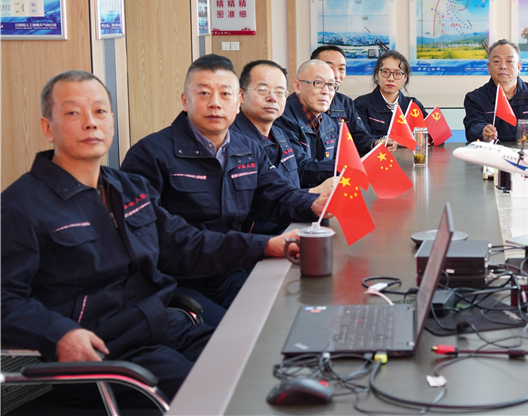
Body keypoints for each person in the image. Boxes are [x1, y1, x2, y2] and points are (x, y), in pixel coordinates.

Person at [1, 71, 306, 401]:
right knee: (222, 395)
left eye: (100, 111)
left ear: (111, 121)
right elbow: (5, 299)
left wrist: (267, 245)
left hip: (163, 327)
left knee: (268, 362)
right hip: (105, 354)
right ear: (48, 128)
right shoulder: (21, 206)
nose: (91, 123)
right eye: (74, 113)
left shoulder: (127, 188)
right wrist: (58, 333)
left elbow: (185, 243)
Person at [122, 55, 331, 325]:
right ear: (185, 101)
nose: (215, 103)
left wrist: (315, 203)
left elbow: (277, 195)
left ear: (238, 100)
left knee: (289, 316)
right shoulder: (149, 154)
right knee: (240, 332)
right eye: (204, 93)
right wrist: (264, 246)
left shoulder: (247, 148)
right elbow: (167, 237)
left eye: (225, 94)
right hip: (176, 282)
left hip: (230, 271)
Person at [233, 60, 334, 234]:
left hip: (291, 221)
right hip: (259, 236)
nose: (272, 97)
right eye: (263, 90)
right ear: (241, 96)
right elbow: (260, 203)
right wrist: (313, 193)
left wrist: (314, 198)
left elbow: (288, 189)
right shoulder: (234, 140)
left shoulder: (279, 133)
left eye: (280, 92)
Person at [463, 39, 528, 143]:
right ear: (488, 67)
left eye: (509, 61)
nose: (503, 66)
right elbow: (473, 128)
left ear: (519, 67)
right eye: (497, 61)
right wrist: (482, 132)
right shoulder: (475, 98)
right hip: (492, 152)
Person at [273, 60, 343, 189]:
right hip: (296, 196)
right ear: (297, 86)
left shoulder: (330, 122)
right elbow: (300, 168)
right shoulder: (281, 119)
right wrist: (342, 167)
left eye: (331, 85)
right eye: (319, 83)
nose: (326, 91)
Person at [310, 45, 389, 154]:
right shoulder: (294, 106)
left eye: (341, 69)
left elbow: (359, 135)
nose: (336, 75)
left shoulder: (345, 102)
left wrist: (375, 143)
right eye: (329, 67)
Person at [354, 50, 426, 138]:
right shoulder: (361, 104)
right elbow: (362, 138)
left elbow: (430, 134)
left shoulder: (413, 105)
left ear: (405, 77)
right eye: (385, 72)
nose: (391, 78)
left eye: (398, 73)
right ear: (377, 74)